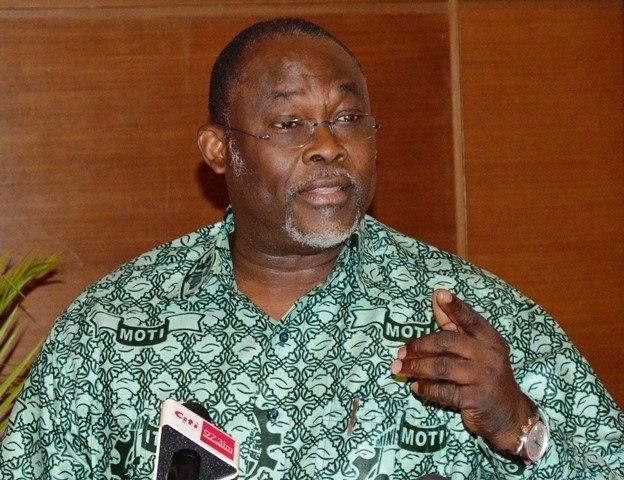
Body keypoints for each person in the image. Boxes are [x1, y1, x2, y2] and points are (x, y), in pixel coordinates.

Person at [1, 17, 622, 480]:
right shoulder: (112, 329)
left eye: (348, 120)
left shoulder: (474, 319)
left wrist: (519, 428)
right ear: (219, 150)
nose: (328, 146)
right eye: (289, 124)